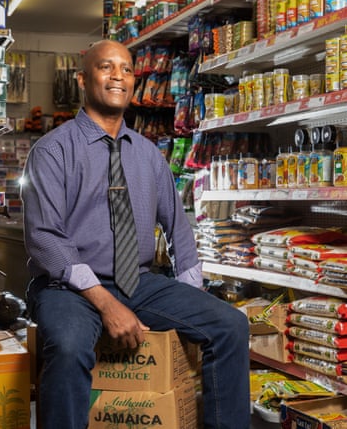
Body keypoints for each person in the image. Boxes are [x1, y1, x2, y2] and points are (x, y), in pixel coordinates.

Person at [21, 39, 250, 429]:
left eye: (126, 69)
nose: (118, 76)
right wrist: (107, 305)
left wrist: (190, 295)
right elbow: (44, 237)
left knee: (230, 325)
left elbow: (178, 225)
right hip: (69, 288)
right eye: (106, 67)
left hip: (139, 283)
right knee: (70, 345)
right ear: (82, 78)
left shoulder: (148, 155)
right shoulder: (52, 151)